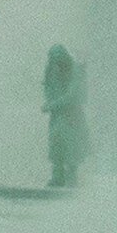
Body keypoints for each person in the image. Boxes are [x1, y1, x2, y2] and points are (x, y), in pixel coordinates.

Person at [42, 44, 90, 187]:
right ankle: (58, 176)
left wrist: (53, 105)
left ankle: (71, 177)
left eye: (57, 59)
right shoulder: (51, 70)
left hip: (72, 116)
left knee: (71, 146)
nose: (55, 63)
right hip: (57, 115)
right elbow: (48, 88)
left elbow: (73, 95)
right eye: (52, 59)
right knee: (56, 144)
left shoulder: (75, 70)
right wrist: (50, 102)